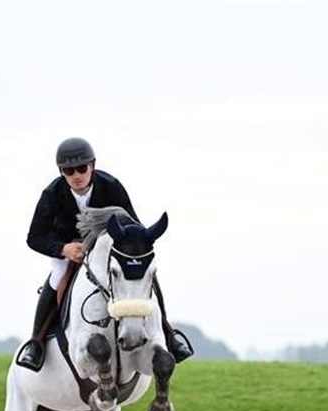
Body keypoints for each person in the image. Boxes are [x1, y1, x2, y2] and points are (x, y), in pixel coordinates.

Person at [16, 137, 194, 371]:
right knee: (57, 277)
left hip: (105, 249)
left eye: (82, 168)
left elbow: (132, 225)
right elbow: (35, 238)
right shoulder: (52, 193)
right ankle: (36, 342)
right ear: (61, 172)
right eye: (69, 171)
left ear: (92, 166)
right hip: (69, 250)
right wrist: (63, 249)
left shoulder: (111, 186)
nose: (76, 175)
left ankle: (168, 333)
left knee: (145, 274)